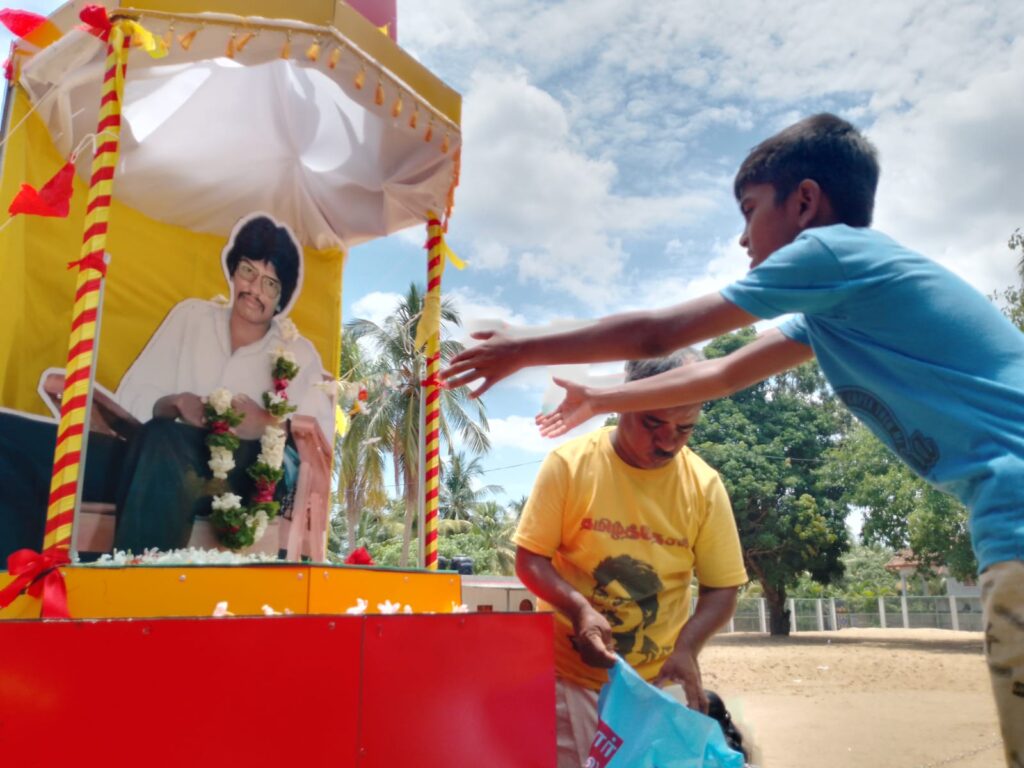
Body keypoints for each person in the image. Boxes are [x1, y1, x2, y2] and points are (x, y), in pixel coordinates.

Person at [443, 113, 1024, 766]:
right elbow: (719, 374)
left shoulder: (833, 253)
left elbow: (662, 334)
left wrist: (525, 346)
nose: (743, 237)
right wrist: (603, 399)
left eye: (750, 210)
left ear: (804, 202)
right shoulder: (835, 308)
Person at [514, 350, 748, 768]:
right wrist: (580, 609)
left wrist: (687, 648)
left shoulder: (704, 486)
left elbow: (722, 589)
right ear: (623, 401)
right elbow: (530, 560)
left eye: (685, 428)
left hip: (657, 686)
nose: (668, 441)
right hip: (571, 680)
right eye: (653, 423)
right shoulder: (570, 465)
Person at [110, 213, 333, 552]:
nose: (254, 290)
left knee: (160, 441)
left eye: (270, 284)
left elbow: (320, 442)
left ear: (281, 298)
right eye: (248, 271)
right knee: (39, 441)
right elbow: (130, 398)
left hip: (252, 477)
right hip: (164, 456)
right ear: (233, 270)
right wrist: (174, 403)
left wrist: (268, 423)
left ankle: (138, 579)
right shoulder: (190, 318)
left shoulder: (299, 353)